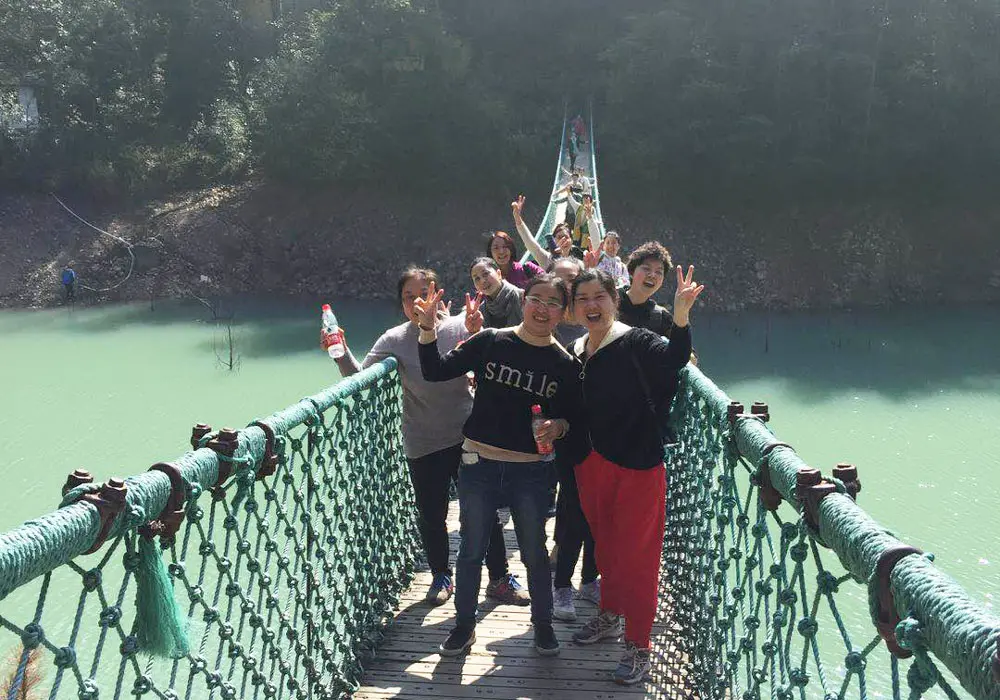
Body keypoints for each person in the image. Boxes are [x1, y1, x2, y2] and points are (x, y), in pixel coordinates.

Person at [326, 267, 529, 609]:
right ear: (401, 303)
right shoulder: (393, 339)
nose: (418, 302)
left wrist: (477, 330)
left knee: (483, 509)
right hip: (423, 440)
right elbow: (358, 378)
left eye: (424, 294)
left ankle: (499, 578)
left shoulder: (460, 326)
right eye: (409, 297)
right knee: (432, 515)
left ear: (439, 295)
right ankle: (440, 576)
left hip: (468, 436)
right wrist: (341, 351)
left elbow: (494, 364)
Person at [416, 274, 581, 658]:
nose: (543, 309)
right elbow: (436, 370)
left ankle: (543, 627)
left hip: (531, 470)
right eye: (536, 299)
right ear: (523, 301)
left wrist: (558, 426)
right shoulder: (491, 340)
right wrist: (427, 329)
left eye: (553, 303)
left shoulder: (565, 364)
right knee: (471, 550)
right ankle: (464, 627)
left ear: (563, 312)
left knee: (534, 552)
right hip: (479, 463)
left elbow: (574, 417)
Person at [567, 266, 703, 686]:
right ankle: (610, 614)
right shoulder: (575, 350)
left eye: (599, 296)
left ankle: (639, 644)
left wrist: (681, 316)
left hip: (638, 465)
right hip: (591, 464)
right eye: (582, 298)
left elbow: (675, 358)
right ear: (573, 308)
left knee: (639, 559)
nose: (591, 305)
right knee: (605, 548)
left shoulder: (636, 340)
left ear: (615, 299)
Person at [543, 256, 599, 623]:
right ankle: (562, 583)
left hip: (603, 442)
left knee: (594, 516)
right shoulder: (545, 324)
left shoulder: (605, 335)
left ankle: (589, 579)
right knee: (573, 511)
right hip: (564, 437)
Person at [618, 241, 675, 336]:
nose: (652, 275)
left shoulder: (662, 318)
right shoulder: (608, 300)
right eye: (646, 268)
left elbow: (682, 345)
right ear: (632, 271)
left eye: (659, 272)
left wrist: (683, 313)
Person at [512, 195, 584, 268]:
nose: (563, 240)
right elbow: (530, 243)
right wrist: (518, 219)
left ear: (571, 241)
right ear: (553, 240)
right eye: (559, 237)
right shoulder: (546, 259)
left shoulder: (579, 263)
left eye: (566, 237)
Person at [469, 257, 523, 329]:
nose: (482, 281)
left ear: (499, 274)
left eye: (485, 274)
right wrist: (474, 330)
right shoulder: (481, 311)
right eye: (477, 279)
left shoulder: (522, 297)